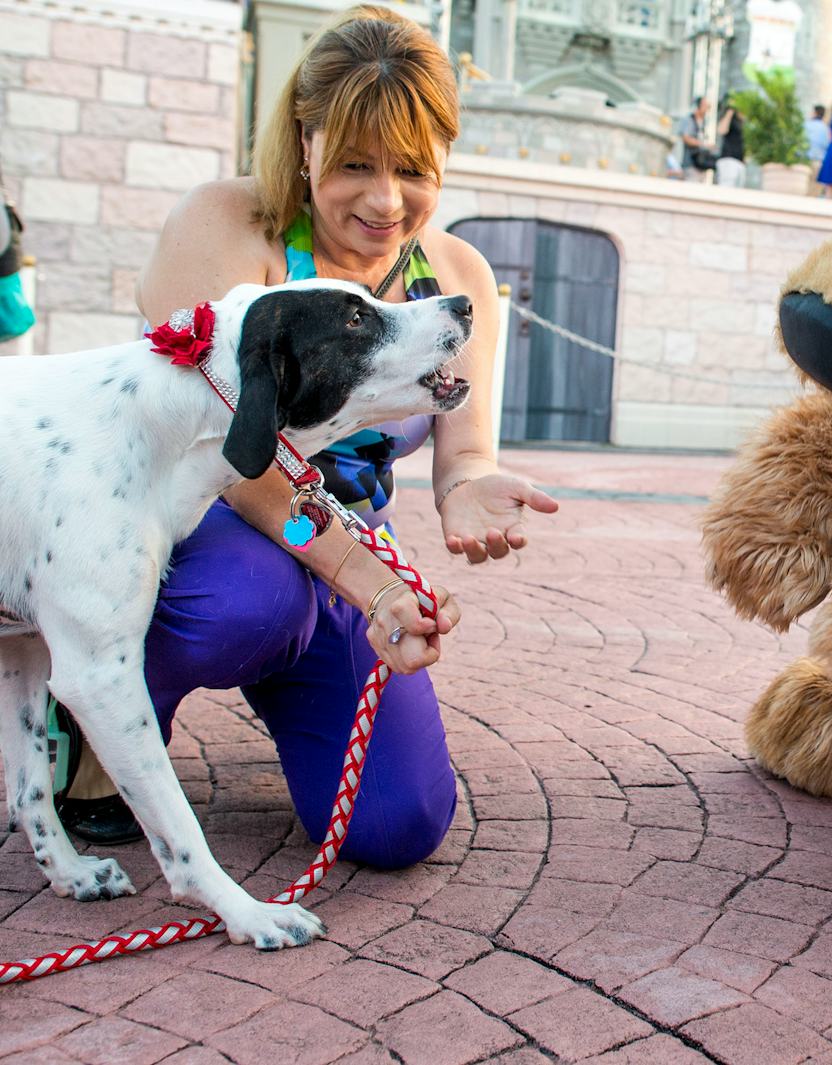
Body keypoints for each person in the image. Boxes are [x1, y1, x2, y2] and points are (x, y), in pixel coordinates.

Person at [55, 4, 560, 865]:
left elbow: (464, 446)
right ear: (305, 138)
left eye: (411, 166)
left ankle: (298, 676)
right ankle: (101, 711)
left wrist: (468, 484)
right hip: (208, 530)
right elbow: (239, 461)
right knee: (246, 603)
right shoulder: (231, 226)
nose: (384, 198)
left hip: (345, 548)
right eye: (356, 163)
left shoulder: (456, 274)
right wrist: (370, 584)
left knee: (399, 827)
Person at [675, 95, 715, 184]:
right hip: (691, 165)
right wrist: (703, 144)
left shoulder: (704, 123)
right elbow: (686, 138)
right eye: (705, 105)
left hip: (701, 166)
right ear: (698, 106)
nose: (707, 108)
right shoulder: (689, 120)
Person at [715, 98, 746, 188]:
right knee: (726, 189)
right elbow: (721, 130)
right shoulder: (731, 119)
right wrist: (730, 111)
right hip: (729, 161)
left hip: (739, 162)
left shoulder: (742, 122)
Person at [803, 104, 829, 195]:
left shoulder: (806, 125)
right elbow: (827, 145)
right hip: (818, 161)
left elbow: (801, 141)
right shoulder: (825, 128)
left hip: (805, 159)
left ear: (814, 113)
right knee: (815, 187)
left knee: (804, 185)